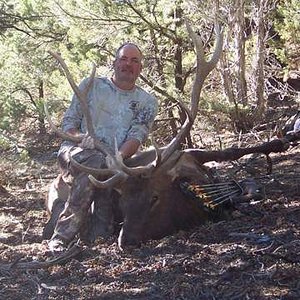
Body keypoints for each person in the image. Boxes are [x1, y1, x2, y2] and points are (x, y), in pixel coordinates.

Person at [46, 43, 158, 253]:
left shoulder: (147, 102)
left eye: (134, 61)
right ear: (115, 63)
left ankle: (99, 235)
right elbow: (68, 124)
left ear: (140, 68)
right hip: (75, 152)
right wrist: (81, 138)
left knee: (113, 171)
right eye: (124, 59)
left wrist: (120, 156)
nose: (128, 64)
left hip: (113, 159)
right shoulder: (91, 86)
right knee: (96, 162)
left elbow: (137, 135)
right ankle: (61, 236)